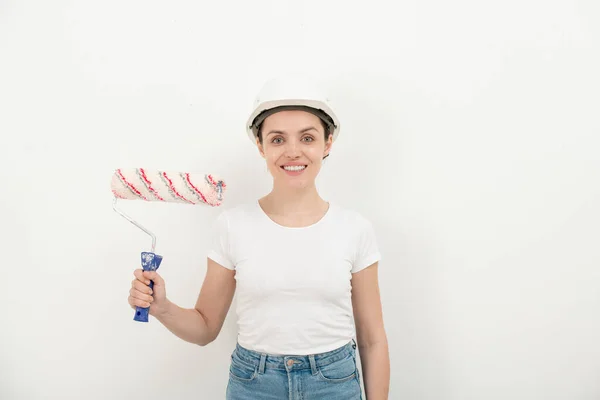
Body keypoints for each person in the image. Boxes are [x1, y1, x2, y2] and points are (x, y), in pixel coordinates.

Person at [128, 76, 390, 399]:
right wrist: (162, 307)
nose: (293, 152)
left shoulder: (355, 230)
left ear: (328, 143)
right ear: (260, 145)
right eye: (278, 139)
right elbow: (205, 327)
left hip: (334, 384)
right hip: (254, 385)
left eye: (307, 138)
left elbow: (372, 339)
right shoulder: (232, 226)